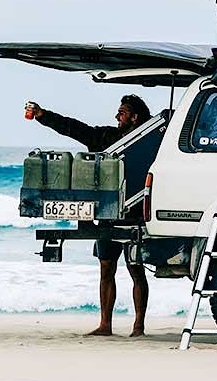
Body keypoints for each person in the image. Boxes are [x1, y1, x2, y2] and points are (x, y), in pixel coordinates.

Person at [25, 94, 151, 337]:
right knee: (106, 269)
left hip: (135, 215)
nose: (117, 116)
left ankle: (138, 327)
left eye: (122, 112)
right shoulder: (106, 137)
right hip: (106, 215)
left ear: (135, 117)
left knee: (136, 269)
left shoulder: (149, 142)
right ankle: (105, 325)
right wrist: (43, 115)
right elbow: (73, 128)